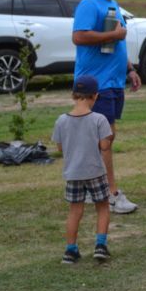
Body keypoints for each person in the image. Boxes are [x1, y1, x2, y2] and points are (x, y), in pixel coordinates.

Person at [72, 0, 140, 214]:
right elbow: (79, 36)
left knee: (104, 138)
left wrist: (130, 70)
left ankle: (92, 188)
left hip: (113, 82)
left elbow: (118, 44)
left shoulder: (113, 5)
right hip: (95, 83)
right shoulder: (90, 4)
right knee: (105, 138)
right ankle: (109, 194)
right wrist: (112, 36)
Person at [53, 75, 113, 264]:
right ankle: (100, 246)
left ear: (73, 95)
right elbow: (104, 146)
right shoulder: (99, 119)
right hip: (95, 171)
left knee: (74, 210)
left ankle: (70, 250)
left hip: (73, 173)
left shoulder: (61, 120)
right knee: (102, 206)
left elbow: (60, 148)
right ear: (95, 96)